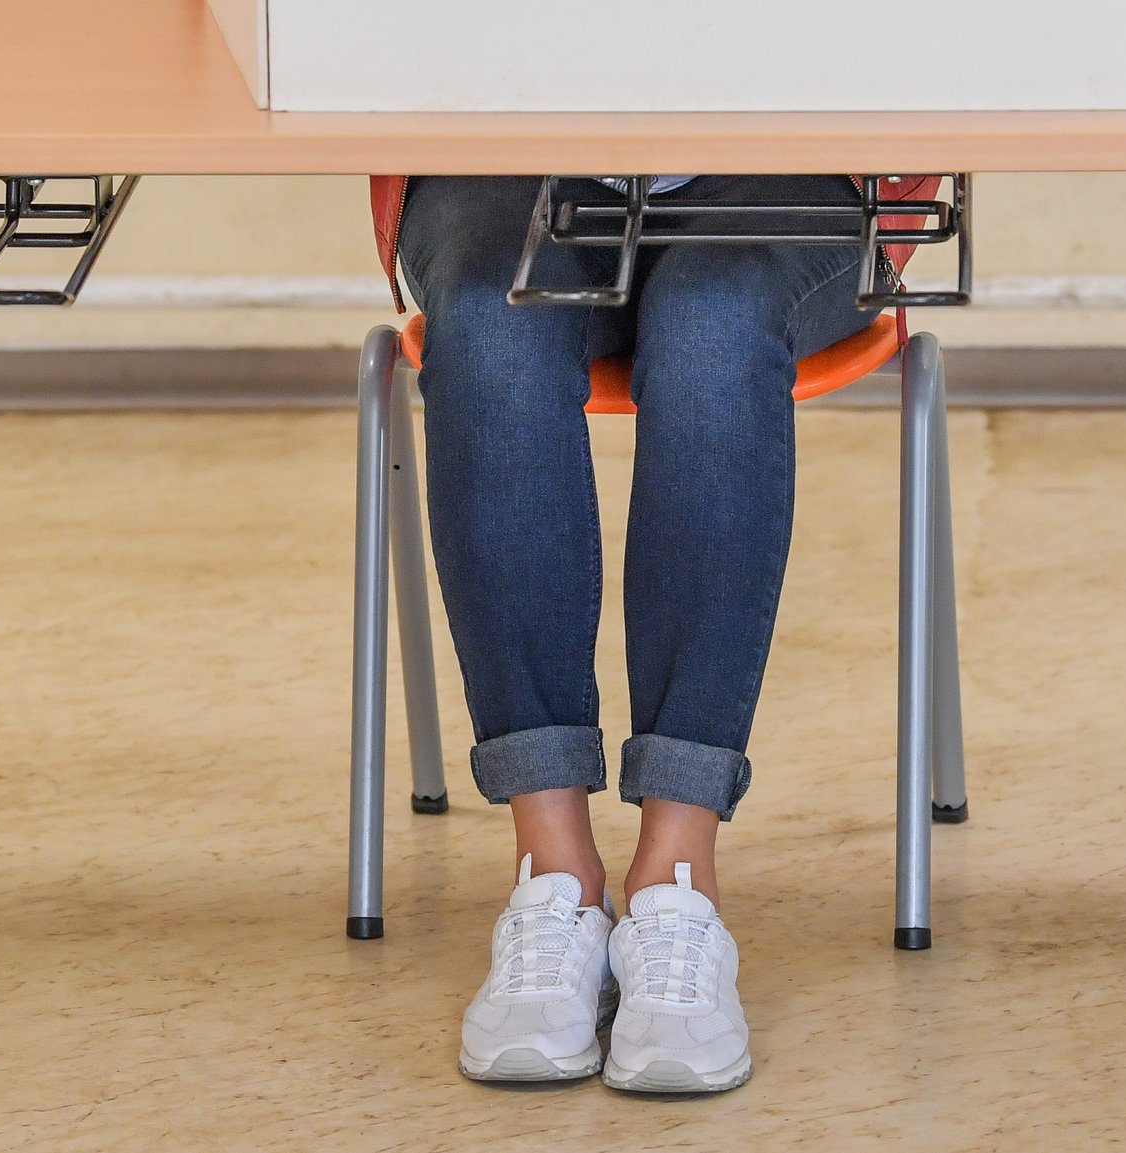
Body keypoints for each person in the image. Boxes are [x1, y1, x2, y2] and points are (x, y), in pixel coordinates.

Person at [366, 172, 935, 1093]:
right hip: (513, 146)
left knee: (712, 323)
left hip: (789, 148)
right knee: (493, 311)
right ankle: (555, 877)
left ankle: (677, 884)